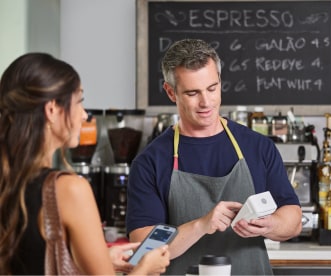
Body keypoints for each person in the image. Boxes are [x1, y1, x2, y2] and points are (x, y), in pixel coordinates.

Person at [126, 38, 302, 275]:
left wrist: (270, 225)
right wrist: (201, 225)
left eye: (212, 88)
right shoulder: (151, 162)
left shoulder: (257, 147)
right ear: (171, 92)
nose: (206, 102)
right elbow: (143, 249)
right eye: (192, 93)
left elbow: (293, 220)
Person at [0, 53, 170, 275]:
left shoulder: (7, 181)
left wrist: (96, 260)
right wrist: (146, 269)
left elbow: (32, 260)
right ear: (52, 110)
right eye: (79, 101)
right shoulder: (69, 190)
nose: (84, 115)